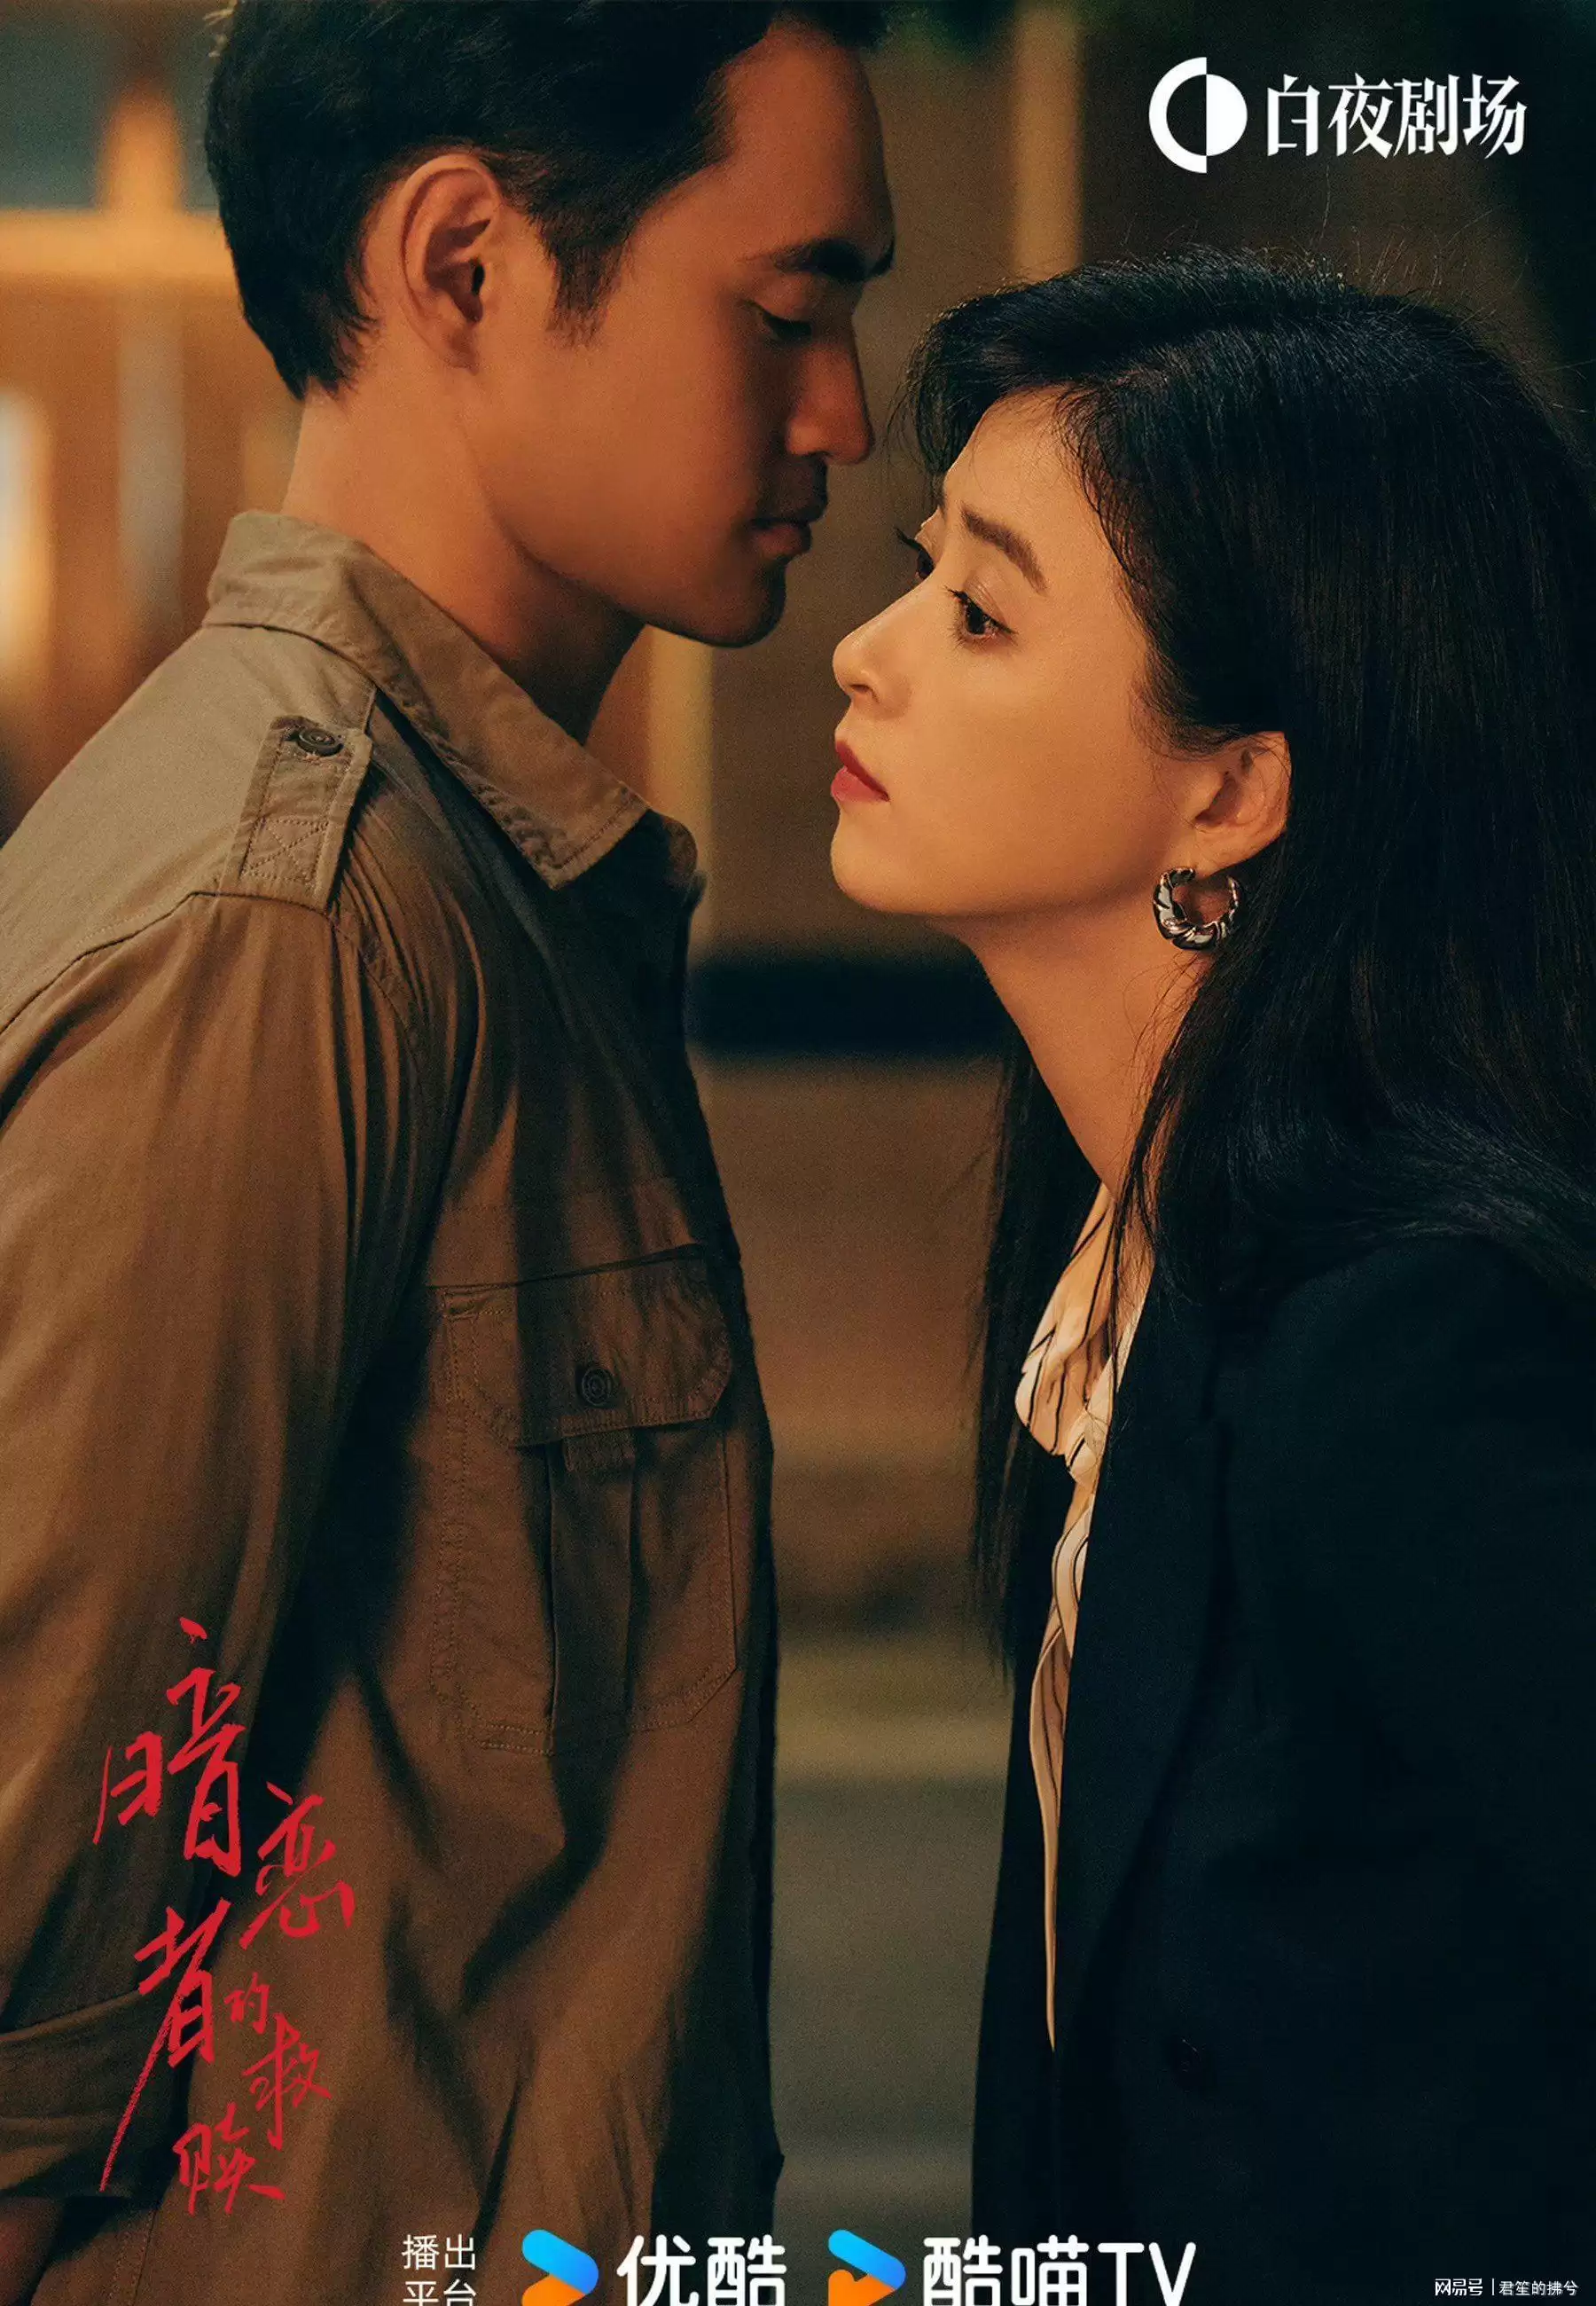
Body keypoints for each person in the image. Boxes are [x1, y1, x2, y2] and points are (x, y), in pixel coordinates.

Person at [0, 5, 893, 2302]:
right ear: (464, 266)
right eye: (785, 310)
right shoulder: (296, 919)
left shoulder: (474, 878)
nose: (846, 413)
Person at [828, 247, 1596, 2302]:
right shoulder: (1128, 1281)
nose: (865, 657)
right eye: (921, 573)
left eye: (982, 614)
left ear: (1237, 787)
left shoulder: (1413, 1354)